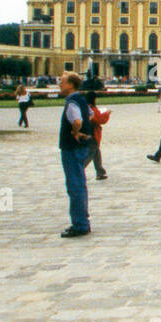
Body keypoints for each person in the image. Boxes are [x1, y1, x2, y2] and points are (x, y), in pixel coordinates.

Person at [57, 72, 94, 238]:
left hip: (72, 147)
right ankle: (83, 219)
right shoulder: (81, 99)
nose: (60, 84)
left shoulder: (72, 102)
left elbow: (77, 120)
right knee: (80, 183)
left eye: (62, 82)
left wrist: (75, 132)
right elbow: (91, 115)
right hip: (82, 147)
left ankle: (80, 224)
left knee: (75, 185)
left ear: (71, 85)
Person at [83, 90, 110, 180]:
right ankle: (78, 170)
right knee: (90, 154)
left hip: (86, 133)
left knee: (96, 154)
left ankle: (100, 172)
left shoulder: (84, 107)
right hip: (93, 134)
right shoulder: (91, 109)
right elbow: (100, 120)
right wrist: (107, 113)